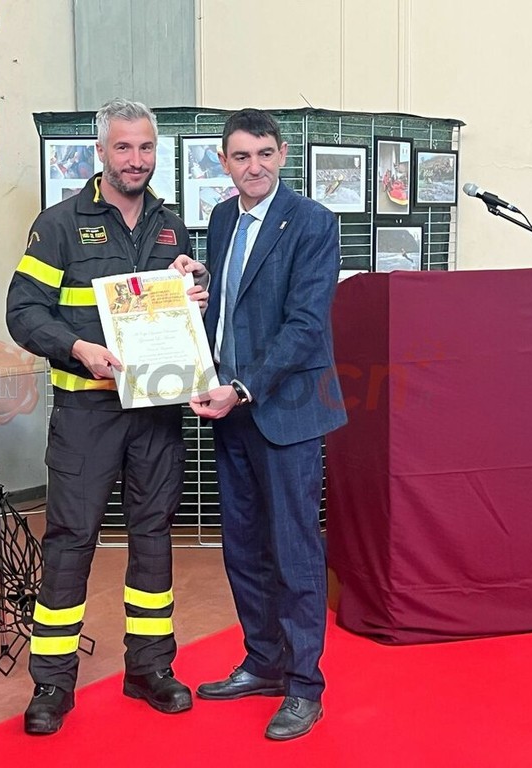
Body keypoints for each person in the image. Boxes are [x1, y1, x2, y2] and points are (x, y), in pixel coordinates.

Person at [6, 97, 208, 736]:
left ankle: (150, 667)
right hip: (86, 413)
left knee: (153, 537)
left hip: (156, 413)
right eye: (123, 147)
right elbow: (23, 311)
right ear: (100, 152)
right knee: (70, 541)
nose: (135, 159)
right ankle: (52, 683)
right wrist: (77, 347)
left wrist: (193, 295)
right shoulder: (59, 224)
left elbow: (178, 311)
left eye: (146, 147)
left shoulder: (172, 228)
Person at [190, 108, 347, 741]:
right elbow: (234, 306)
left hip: (283, 410)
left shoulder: (313, 221)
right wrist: (196, 291)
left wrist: (242, 387)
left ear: (282, 154)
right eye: (240, 156)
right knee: (244, 547)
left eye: (263, 154)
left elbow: (305, 325)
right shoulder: (222, 219)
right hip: (230, 412)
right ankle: (262, 663)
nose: (253, 167)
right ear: (224, 163)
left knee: (294, 550)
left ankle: (304, 685)